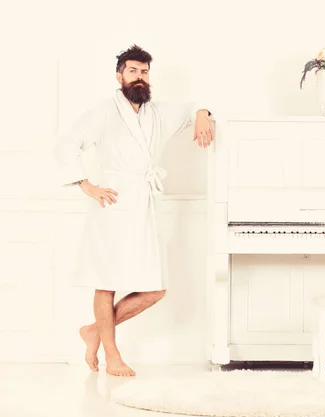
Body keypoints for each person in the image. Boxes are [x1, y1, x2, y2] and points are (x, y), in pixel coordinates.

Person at [54, 45, 214, 377]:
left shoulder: (158, 112)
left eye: (143, 72)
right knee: (106, 280)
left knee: (155, 289)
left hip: (145, 204)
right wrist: (87, 185)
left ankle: (94, 331)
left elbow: (198, 106)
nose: (138, 77)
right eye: (132, 71)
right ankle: (112, 355)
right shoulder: (102, 112)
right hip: (112, 203)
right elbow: (67, 143)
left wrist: (202, 114)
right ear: (119, 75)